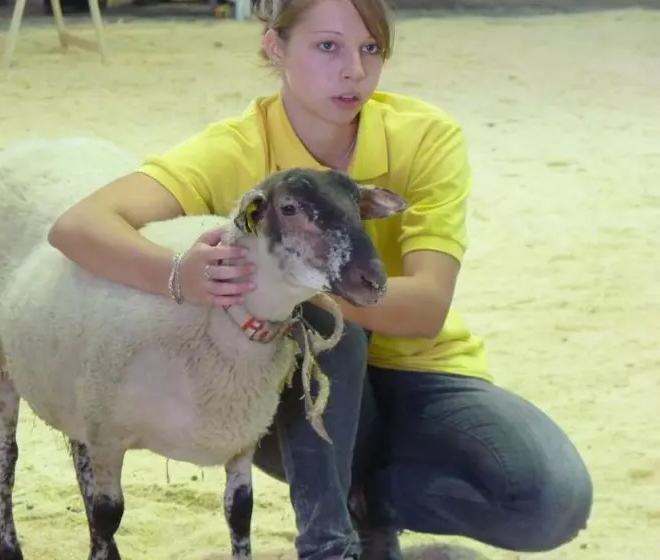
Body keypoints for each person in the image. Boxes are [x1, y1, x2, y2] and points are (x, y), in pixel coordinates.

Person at [47, 0, 594, 558]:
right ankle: (328, 544)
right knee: (330, 326)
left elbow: (427, 306)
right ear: (275, 47)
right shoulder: (233, 148)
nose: (354, 70)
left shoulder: (425, 137)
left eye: (370, 49)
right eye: (327, 46)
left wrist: (292, 282)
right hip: (288, 389)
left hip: (420, 370)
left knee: (549, 503)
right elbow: (77, 226)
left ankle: (364, 501)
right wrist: (175, 274)